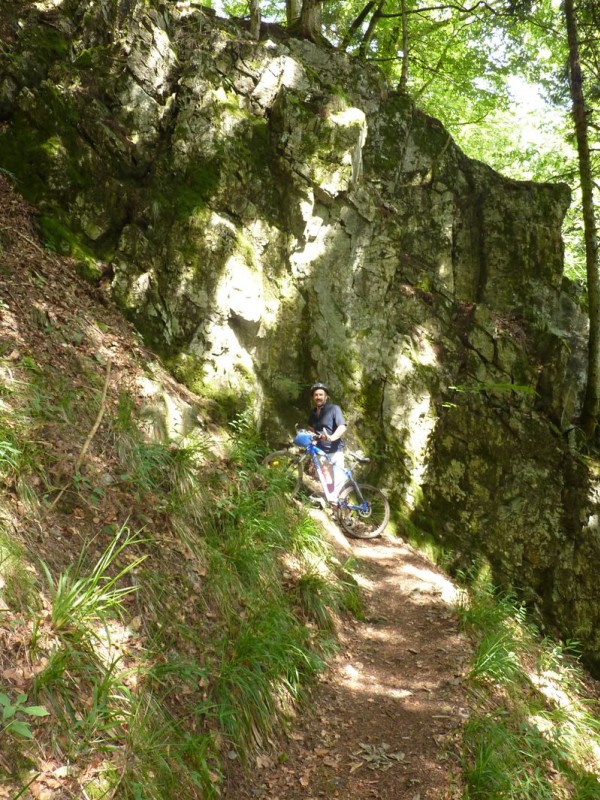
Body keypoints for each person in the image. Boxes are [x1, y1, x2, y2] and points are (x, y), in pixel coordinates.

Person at [307, 382, 347, 493]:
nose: (318, 397)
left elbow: (342, 427)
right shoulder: (313, 412)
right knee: (327, 481)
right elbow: (311, 428)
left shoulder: (334, 409)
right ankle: (334, 508)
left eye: (321, 395)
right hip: (321, 452)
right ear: (313, 397)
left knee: (339, 483)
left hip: (335, 451)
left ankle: (344, 509)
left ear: (326, 397)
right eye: (316, 395)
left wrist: (331, 437)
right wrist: (312, 437)